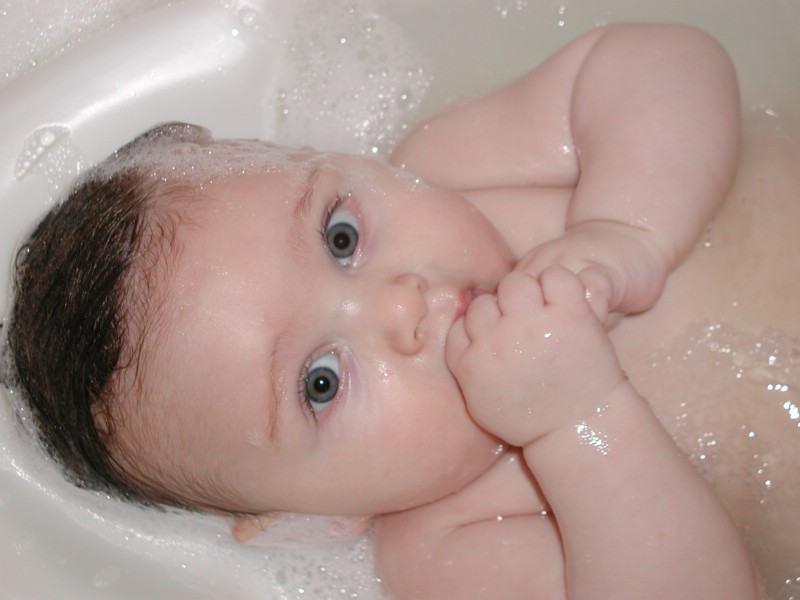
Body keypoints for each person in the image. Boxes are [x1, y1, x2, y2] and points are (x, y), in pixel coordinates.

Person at [7, 22, 798, 598]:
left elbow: (662, 60)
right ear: (307, 518)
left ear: (339, 163)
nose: (401, 303)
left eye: (341, 236)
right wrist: (580, 420)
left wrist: (626, 229)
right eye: (321, 382)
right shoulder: (446, 551)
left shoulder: (454, 167)